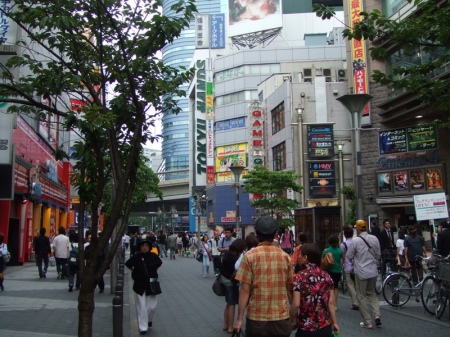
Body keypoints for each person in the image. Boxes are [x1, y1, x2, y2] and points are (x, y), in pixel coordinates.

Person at [234, 216, 293, 337]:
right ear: (276, 233)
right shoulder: (286, 257)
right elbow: (289, 289)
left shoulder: (249, 257)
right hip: (281, 318)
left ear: (256, 233)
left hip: (257, 318)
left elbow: (245, 290)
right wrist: (294, 315)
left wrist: (239, 319)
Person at [290, 243, 339, 337]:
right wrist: (335, 323)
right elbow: (331, 302)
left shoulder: (299, 277)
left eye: (300, 254)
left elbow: (296, 304)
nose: (298, 257)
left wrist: (289, 319)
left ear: (305, 257)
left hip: (306, 328)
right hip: (325, 327)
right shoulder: (327, 276)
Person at [346, 220, 381, 329]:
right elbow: (378, 254)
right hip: (373, 270)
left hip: (361, 272)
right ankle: (377, 315)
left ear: (357, 229)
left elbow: (349, 255)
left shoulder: (356, 241)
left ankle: (367, 322)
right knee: (372, 293)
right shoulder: (374, 238)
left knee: (361, 296)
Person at [125, 238, 163, 335]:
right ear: (139, 248)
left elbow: (159, 264)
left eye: (146, 246)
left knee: (152, 307)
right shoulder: (136, 257)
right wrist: (134, 271)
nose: (144, 247)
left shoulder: (154, 256)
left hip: (152, 283)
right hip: (139, 283)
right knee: (141, 306)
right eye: (142, 246)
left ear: (149, 247)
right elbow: (128, 264)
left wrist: (153, 272)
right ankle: (143, 327)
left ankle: (149, 320)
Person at [220, 238, 245, 334]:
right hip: (231, 282)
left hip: (223, 280)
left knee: (228, 303)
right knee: (232, 304)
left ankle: (225, 325)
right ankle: (230, 327)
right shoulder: (235, 258)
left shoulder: (226, 254)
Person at [322, 234, 343, 311]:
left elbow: (322, 261)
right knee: (336, 287)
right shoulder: (340, 251)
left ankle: (329, 303)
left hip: (329, 271)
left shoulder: (326, 250)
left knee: (329, 288)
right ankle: (335, 304)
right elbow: (341, 262)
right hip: (338, 271)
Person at [341, 226, 358, 310]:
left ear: (344, 234)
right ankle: (358, 301)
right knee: (357, 285)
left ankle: (355, 302)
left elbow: (342, 256)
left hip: (348, 267)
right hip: (357, 266)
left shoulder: (343, 244)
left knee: (350, 285)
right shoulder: (356, 242)